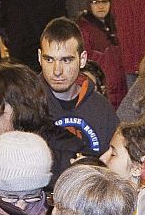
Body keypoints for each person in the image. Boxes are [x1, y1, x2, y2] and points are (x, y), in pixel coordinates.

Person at [39, 17, 121, 162]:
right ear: (40, 57)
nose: (57, 71)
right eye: (49, 60)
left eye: (66, 60)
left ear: (82, 59)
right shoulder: (25, 104)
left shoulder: (102, 109)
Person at [76, 0, 127, 108]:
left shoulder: (116, 26)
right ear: (88, 4)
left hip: (119, 89)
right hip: (100, 89)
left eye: (105, 1)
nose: (100, 6)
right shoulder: (84, 29)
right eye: (95, 2)